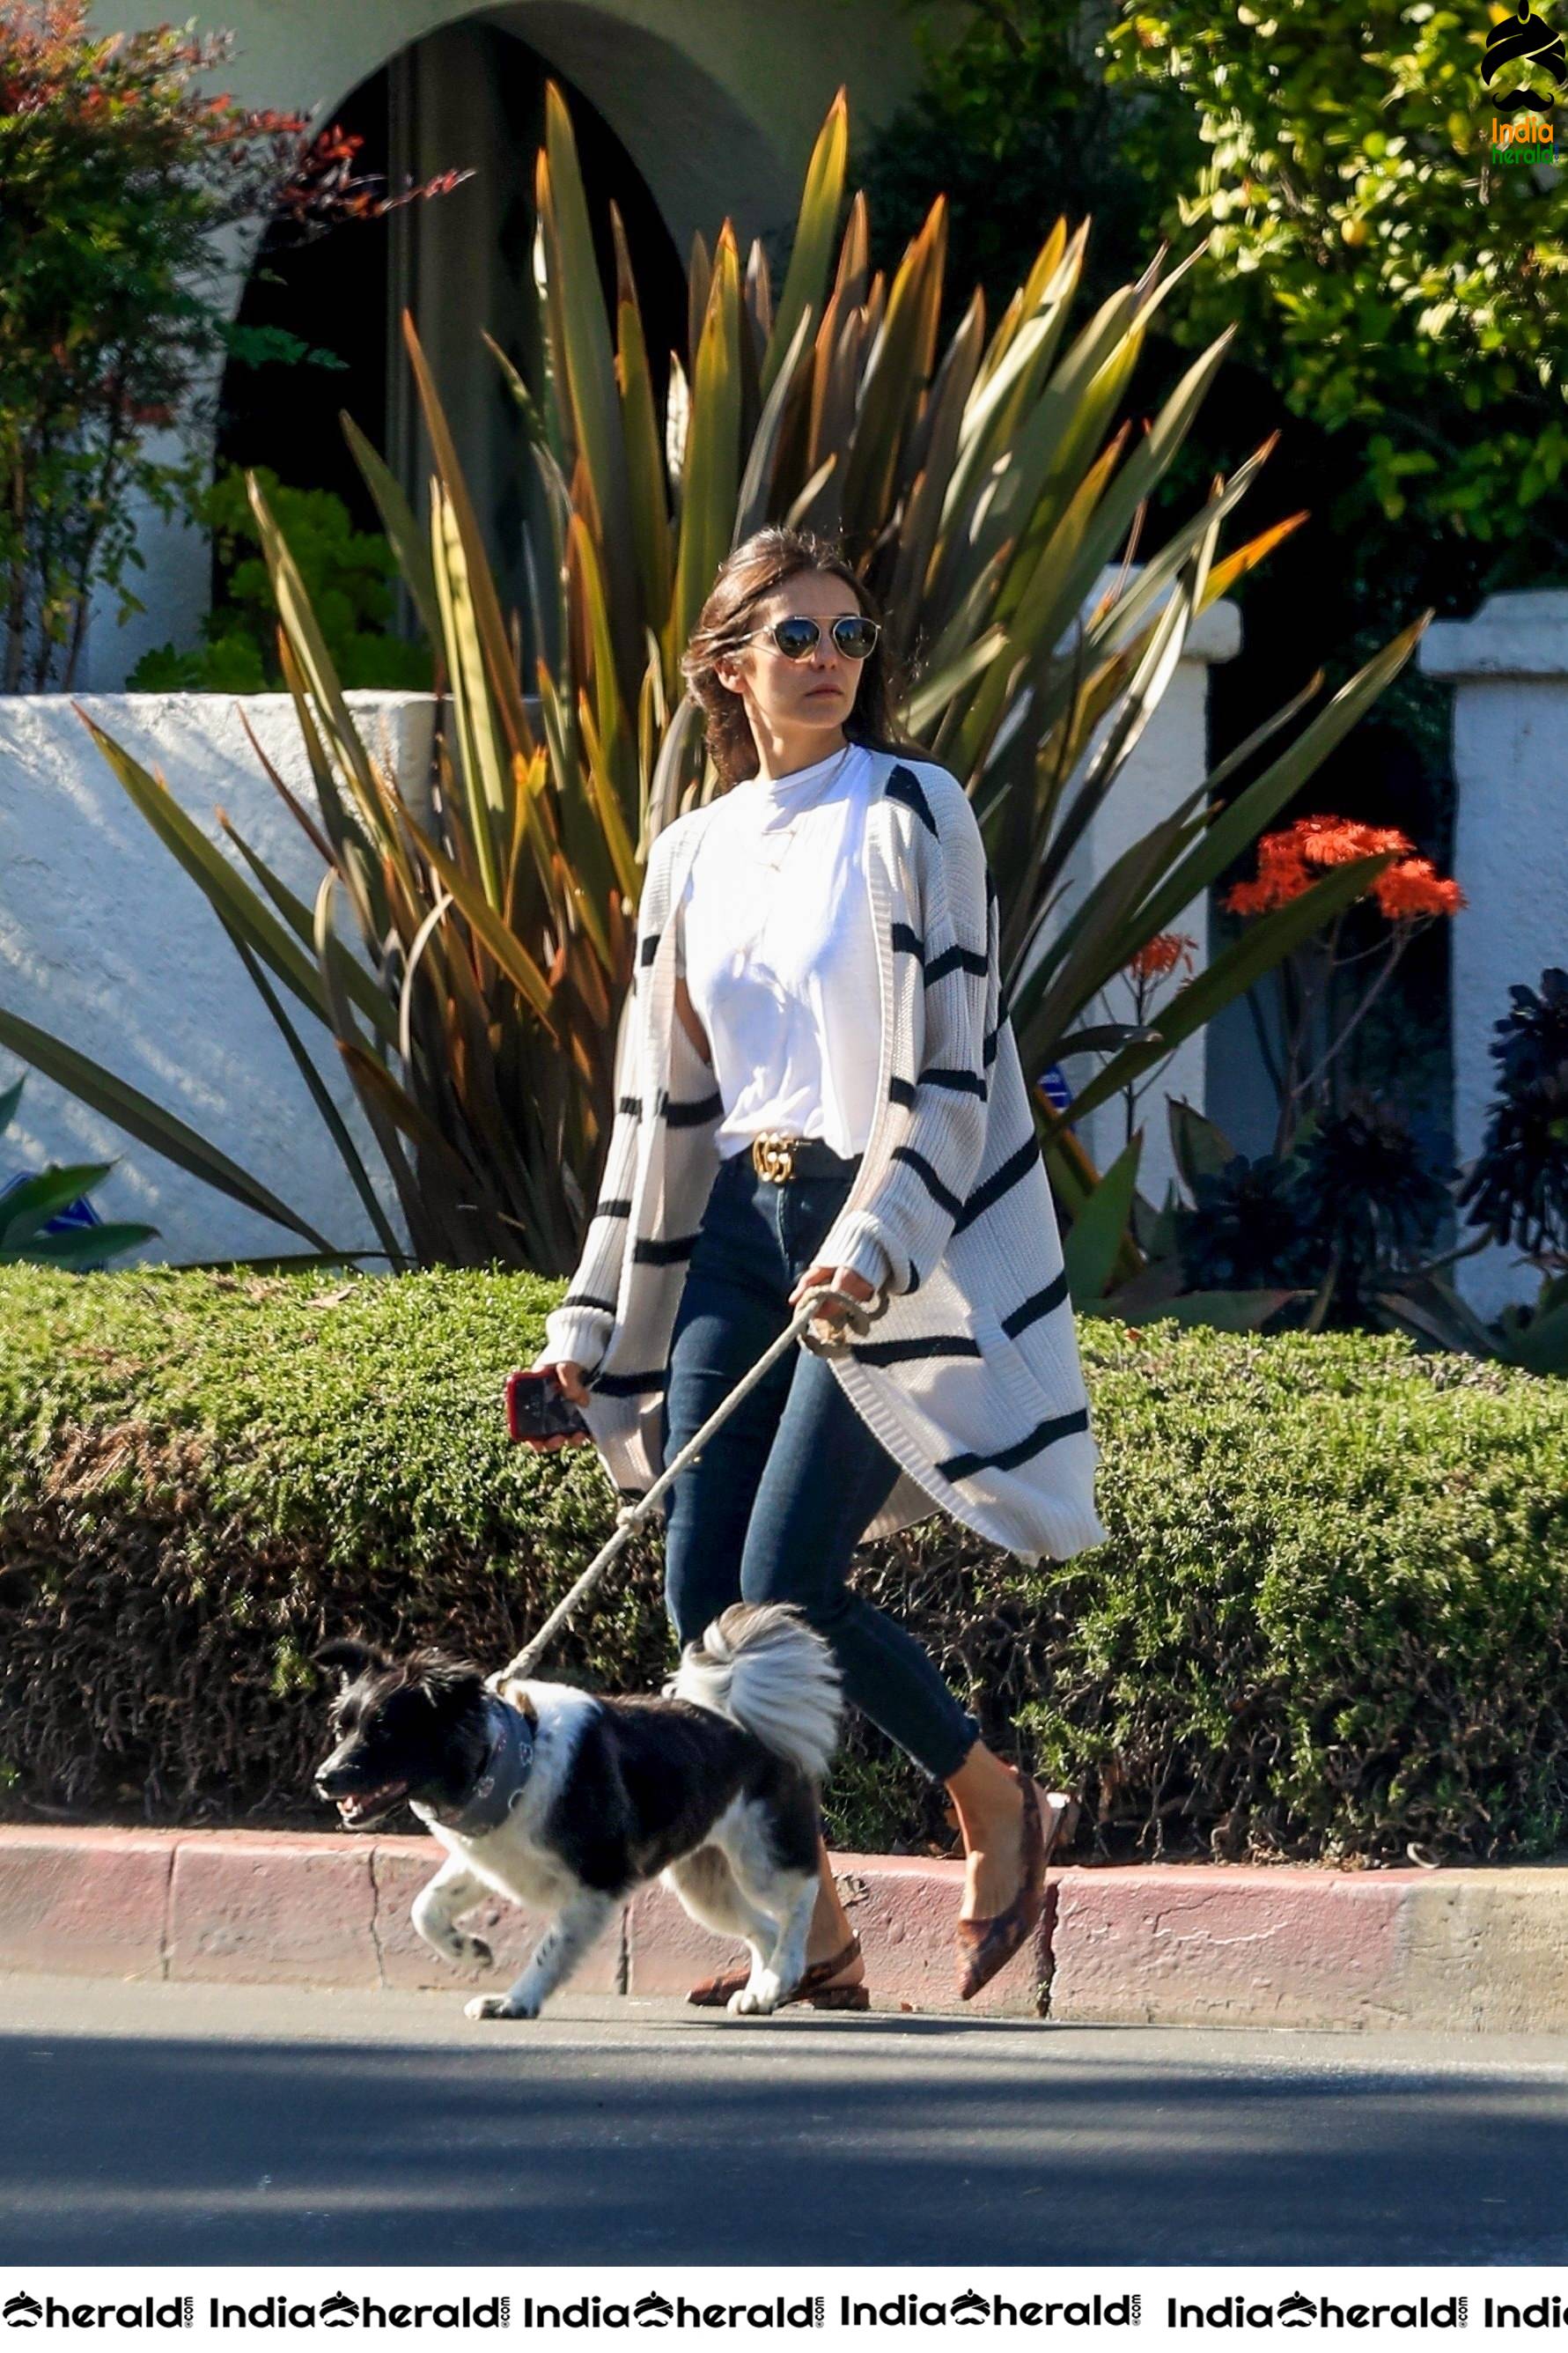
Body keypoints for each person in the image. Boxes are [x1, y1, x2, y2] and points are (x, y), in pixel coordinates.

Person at [525, 525, 1107, 2006]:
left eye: (850, 637)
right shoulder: (691, 853)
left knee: (782, 1588)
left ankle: (991, 1797)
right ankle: (818, 1942)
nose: (832, 661)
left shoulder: (912, 809)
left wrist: (876, 1238)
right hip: (733, 1232)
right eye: (796, 638)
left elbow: (953, 1062)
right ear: (725, 669)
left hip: (871, 1226)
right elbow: (657, 1111)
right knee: (697, 1604)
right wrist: (592, 1324)